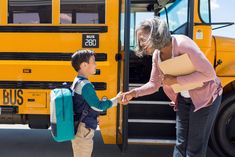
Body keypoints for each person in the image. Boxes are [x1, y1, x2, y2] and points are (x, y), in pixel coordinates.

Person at [121, 17, 223, 157]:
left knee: (194, 148)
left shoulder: (183, 44)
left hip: (206, 99)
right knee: (181, 144)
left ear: (156, 34)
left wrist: (175, 80)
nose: (141, 44)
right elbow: (154, 84)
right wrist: (134, 93)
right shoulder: (157, 55)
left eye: (143, 39)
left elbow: (209, 73)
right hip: (184, 99)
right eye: (139, 40)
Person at [71, 49, 122, 157]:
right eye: (93, 61)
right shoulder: (85, 85)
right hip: (83, 130)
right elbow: (98, 106)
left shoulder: (77, 80)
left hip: (80, 127)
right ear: (84, 65)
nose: (96, 64)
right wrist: (116, 100)